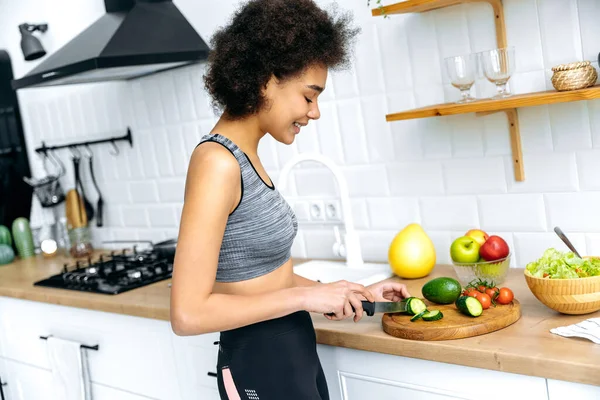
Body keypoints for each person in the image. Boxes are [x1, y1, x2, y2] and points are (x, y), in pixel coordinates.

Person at [169, 0, 411, 399]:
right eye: (308, 96)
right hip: (257, 364)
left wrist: (345, 291)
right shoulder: (217, 162)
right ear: (266, 80)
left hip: (290, 353)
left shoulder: (247, 159)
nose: (314, 112)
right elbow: (187, 314)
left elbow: (264, 280)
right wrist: (308, 296)